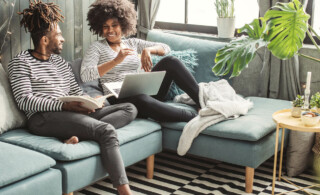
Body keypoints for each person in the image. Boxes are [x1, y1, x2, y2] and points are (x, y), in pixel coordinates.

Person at [8, 1, 136, 194]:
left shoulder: (60, 63)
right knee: (106, 130)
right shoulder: (20, 62)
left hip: (72, 112)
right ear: (44, 40)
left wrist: (89, 101)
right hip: (43, 117)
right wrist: (65, 106)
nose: (63, 39)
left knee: (129, 108)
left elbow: (75, 91)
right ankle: (124, 190)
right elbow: (25, 100)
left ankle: (79, 135)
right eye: (58, 34)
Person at [81, 0, 201, 122]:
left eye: (114, 25)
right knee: (141, 98)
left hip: (144, 92)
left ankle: (202, 104)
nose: (110, 30)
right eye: (105, 27)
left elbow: (166, 48)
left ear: (123, 24)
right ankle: (193, 117)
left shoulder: (132, 43)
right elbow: (86, 74)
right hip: (120, 99)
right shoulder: (96, 47)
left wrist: (148, 50)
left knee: (171, 61)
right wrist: (115, 61)